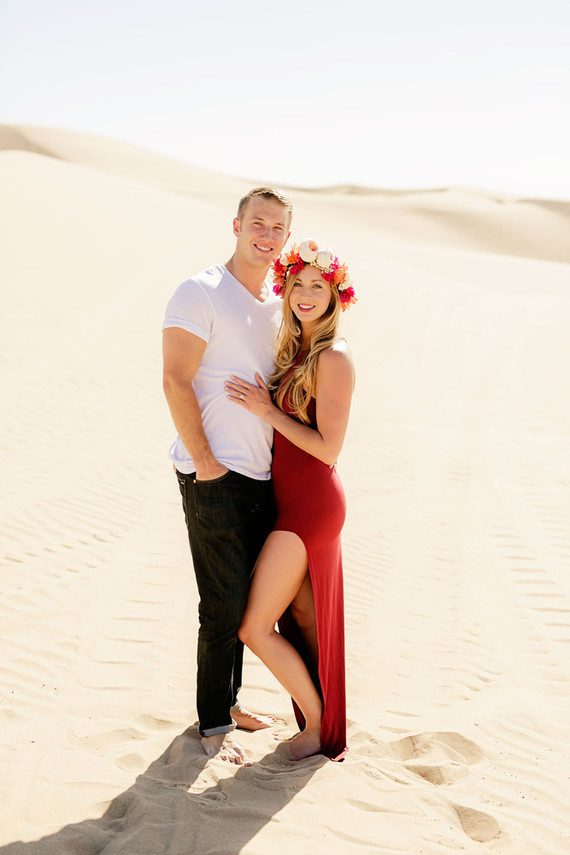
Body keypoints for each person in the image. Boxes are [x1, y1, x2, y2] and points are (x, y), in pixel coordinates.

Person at [162, 187, 292, 766]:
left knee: (245, 605)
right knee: (221, 605)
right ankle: (213, 723)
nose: (267, 235)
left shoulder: (278, 303)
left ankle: (231, 703)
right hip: (212, 472)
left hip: (263, 475)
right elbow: (175, 378)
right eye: (258, 223)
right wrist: (207, 461)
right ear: (236, 226)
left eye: (278, 228)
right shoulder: (200, 290)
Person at [225, 239, 357, 761]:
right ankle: (319, 722)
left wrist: (267, 411)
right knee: (301, 620)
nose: (305, 294)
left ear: (334, 296)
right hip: (290, 503)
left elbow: (329, 449)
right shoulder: (296, 350)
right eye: (297, 283)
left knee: (254, 626)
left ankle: (319, 726)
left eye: (318, 286)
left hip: (311, 508)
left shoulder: (334, 357)